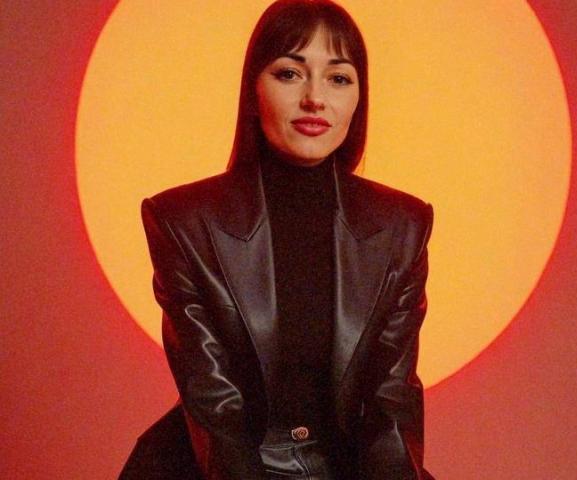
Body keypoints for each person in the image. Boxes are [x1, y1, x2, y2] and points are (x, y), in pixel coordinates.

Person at [119, 1, 435, 479]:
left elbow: (389, 404)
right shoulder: (184, 222)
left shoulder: (401, 225)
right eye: (289, 74)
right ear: (254, 89)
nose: (315, 98)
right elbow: (216, 408)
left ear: (359, 98)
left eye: (339, 78)